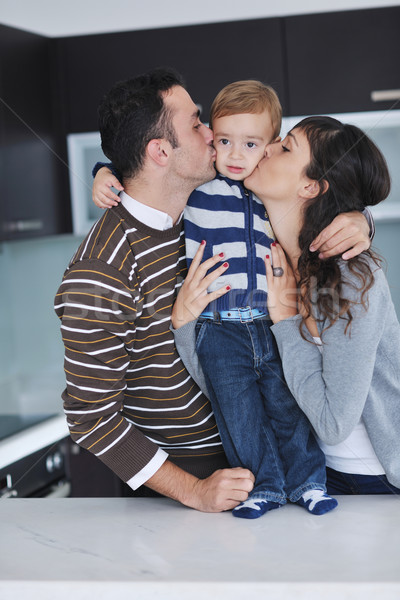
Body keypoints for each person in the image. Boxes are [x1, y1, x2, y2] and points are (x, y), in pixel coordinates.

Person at [90, 76, 372, 515]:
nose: (225, 149)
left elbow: (320, 188)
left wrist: (361, 217)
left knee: (285, 406)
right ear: (162, 152)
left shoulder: (244, 190)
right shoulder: (177, 206)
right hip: (186, 472)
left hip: (268, 340)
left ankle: (305, 482)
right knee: (244, 412)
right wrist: (104, 172)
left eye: (254, 145)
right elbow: (92, 420)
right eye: (208, 130)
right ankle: (270, 486)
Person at [246, 115, 400, 495]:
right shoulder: (266, 254)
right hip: (313, 476)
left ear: (311, 186)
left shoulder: (351, 277)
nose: (266, 147)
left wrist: (284, 319)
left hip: (377, 483)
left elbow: (333, 424)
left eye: (285, 147)